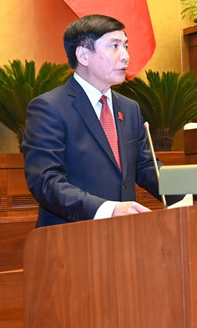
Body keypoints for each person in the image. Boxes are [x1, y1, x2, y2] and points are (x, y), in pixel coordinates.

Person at [22, 14, 175, 227]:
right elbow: (46, 181)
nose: (125, 56)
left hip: (125, 233)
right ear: (83, 55)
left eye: (126, 46)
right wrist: (108, 210)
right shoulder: (49, 107)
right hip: (72, 235)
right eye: (114, 46)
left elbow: (147, 167)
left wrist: (194, 194)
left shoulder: (129, 108)